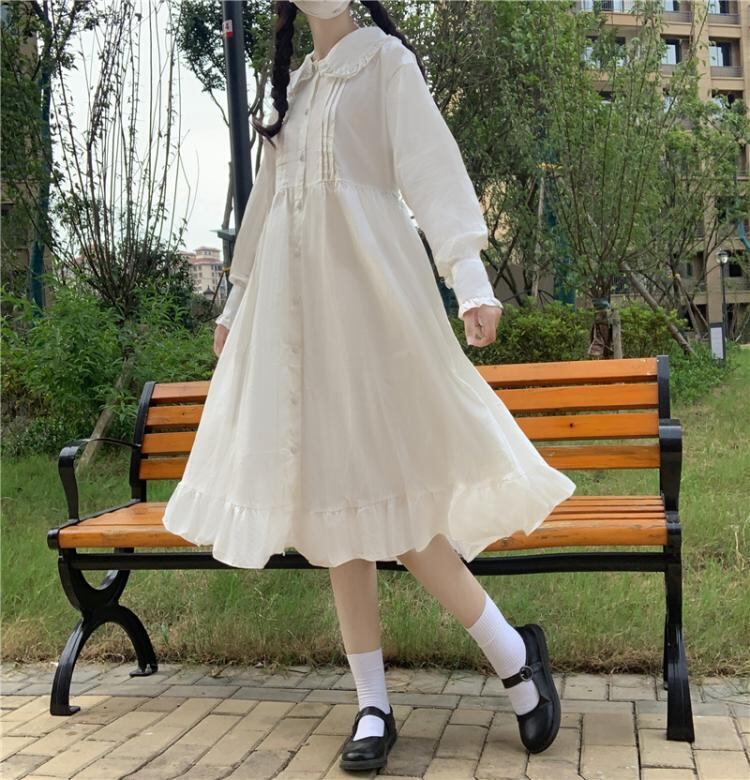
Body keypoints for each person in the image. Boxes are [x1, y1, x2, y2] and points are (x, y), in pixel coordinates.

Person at [162, 0, 576, 771]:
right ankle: (373, 703)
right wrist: (235, 301)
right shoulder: (295, 89)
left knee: (395, 497)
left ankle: (512, 652)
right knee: (332, 507)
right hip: (299, 324)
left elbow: (432, 171)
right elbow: (264, 204)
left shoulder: (386, 62)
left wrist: (470, 278)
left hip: (373, 311)